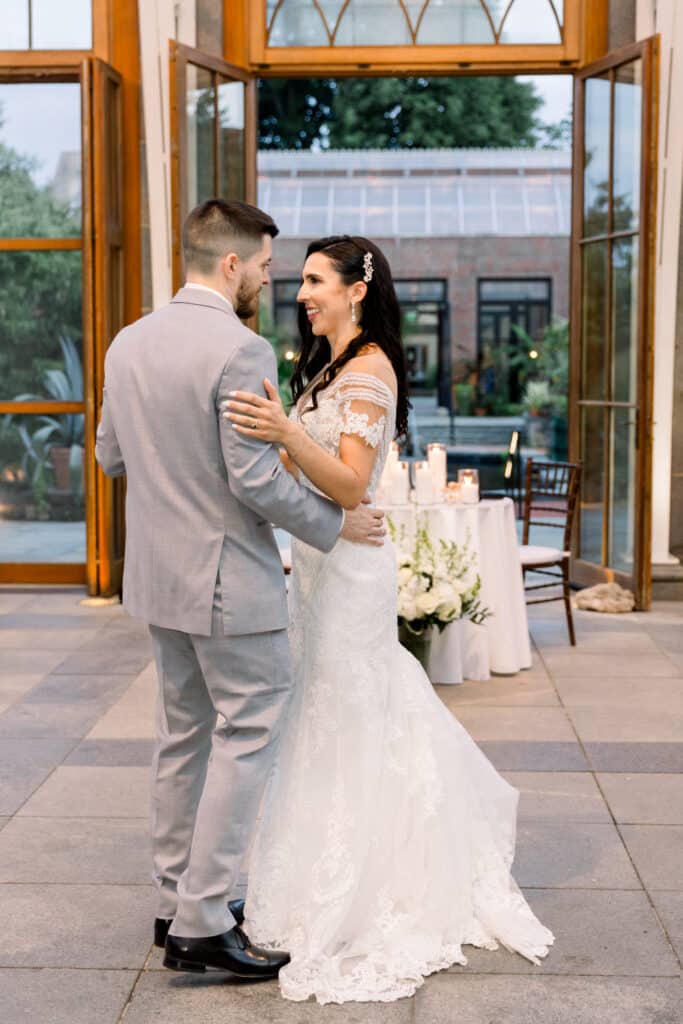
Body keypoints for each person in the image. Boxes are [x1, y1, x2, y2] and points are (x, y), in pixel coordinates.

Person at [223, 234, 554, 1004]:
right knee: (320, 714)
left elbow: (347, 481)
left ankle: (373, 885)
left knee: (350, 713)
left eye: (313, 282)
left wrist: (283, 431)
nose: (300, 294)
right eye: (299, 281)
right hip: (319, 567)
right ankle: (302, 878)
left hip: (349, 575)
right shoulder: (326, 365)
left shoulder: (369, 368)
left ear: (355, 289)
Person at [95, 202, 386, 980]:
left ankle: (173, 901)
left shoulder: (127, 342)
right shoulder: (239, 347)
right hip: (227, 583)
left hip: (156, 579)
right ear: (230, 264)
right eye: (262, 265)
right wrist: (333, 522)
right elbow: (256, 483)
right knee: (248, 731)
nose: (269, 279)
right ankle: (200, 921)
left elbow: (109, 456)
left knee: (182, 735)